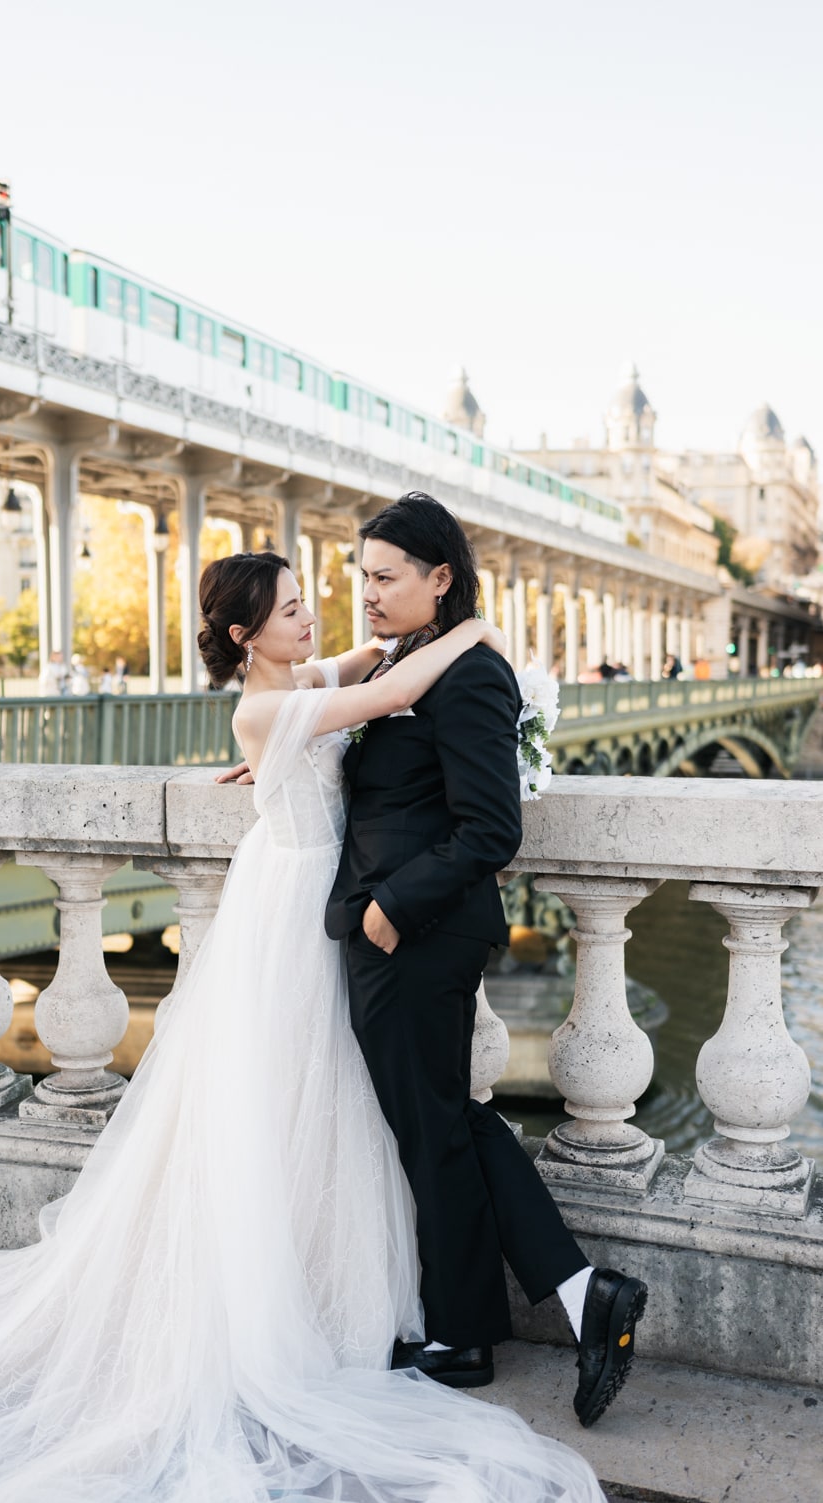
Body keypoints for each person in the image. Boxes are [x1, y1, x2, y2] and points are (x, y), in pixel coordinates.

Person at [0, 550, 604, 1503]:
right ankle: (318, 1299)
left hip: (320, 883)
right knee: (301, 1090)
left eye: (308, 601)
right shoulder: (267, 709)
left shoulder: (294, 690)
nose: (312, 617)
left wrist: (292, 755)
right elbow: (391, 690)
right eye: (291, 609)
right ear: (246, 635)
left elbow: (372, 661)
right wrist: (475, 630)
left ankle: (351, 1288)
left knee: (337, 1095)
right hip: (297, 904)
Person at [322, 494, 647, 1425]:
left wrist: (390, 908)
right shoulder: (412, 658)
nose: (368, 592)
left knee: (432, 1127)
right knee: (444, 1121)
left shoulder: (467, 676)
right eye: (362, 575)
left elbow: (491, 827)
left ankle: (474, 1334)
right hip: (404, 930)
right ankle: (575, 1297)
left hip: (417, 933)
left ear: (440, 579)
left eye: (385, 576)